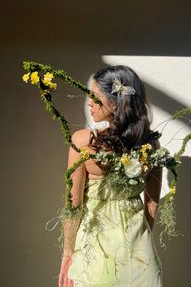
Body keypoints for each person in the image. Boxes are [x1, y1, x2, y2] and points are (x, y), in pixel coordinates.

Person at [58, 65, 163, 287]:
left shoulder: (83, 142)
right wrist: (140, 243)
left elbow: (73, 204)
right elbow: (152, 204)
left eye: (95, 96)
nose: (88, 102)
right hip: (140, 256)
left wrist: (68, 253)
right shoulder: (151, 144)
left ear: (114, 102)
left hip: (96, 252)